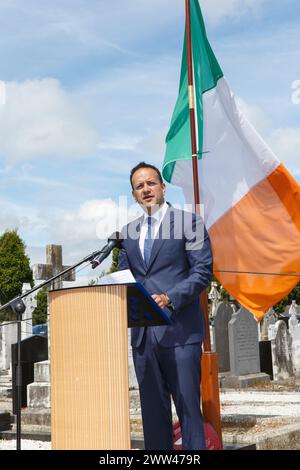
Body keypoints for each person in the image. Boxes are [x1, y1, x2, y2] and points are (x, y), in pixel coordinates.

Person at [118, 162, 213, 450]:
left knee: (188, 413)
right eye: (139, 186)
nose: (146, 189)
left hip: (180, 333)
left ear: (162, 187)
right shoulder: (126, 233)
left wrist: (170, 296)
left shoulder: (190, 223)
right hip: (143, 337)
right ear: (134, 194)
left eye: (150, 183)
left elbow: (202, 273)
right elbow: (124, 279)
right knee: (152, 416)